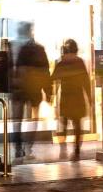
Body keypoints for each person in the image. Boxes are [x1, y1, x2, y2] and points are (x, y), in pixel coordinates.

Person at [11, 24, 51, 160]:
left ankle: (18, 148)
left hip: (19, 90)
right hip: (34, 90)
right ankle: (28, 147)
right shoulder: (39, 49)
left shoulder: (15, 46)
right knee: (33, 119)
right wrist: (48, 91)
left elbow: (14, 70)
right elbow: (45, 71)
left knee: (17, 121)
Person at [51, 39, 94, 161]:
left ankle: (63, 147)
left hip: (66, 96)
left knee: (63, 123)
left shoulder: (62, 62)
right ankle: (76, 149)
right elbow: (85, 82)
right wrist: (90, 99)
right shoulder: (79, 61)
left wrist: (52, 96)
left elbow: (54, 77)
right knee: (77, 125)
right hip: (77, 97)